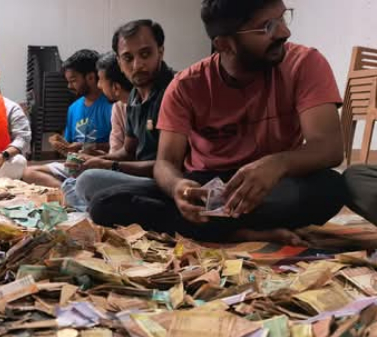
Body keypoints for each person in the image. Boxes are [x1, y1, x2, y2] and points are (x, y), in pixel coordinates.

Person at [90, 0, 346, 244]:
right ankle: (239, 231)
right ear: (225, 44)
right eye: (267, 26)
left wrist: (278, 164)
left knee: (331, 188)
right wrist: (179, 187)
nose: (284, 32)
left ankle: (212, 229)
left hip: (273, 183)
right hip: (207, 187)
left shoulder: (304, 63)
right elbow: (166, 162)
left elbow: (329, 147)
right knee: (104, 203)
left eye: (282, 17)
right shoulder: (186, 86)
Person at [68, 21, 175, 211]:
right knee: (74, 181)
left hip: (167, 181)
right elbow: (128, 151)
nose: (137, 64)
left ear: (161, 51)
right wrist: (96, 160)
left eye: (145, 54)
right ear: (119, 61)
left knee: (88, 183)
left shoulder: (174, 91)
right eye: (127, 57)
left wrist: (110, 166)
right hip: (139, 176)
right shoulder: (134, 95)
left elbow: (169, 166)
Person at [22, 49, 112, 188]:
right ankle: (69, 191)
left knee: (89, 179)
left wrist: (88, 148)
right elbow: (71, 148)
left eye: (73, 81)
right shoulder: (73, 108)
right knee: (28, 173)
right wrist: (63, 146)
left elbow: (120, 149)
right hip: (76, 168)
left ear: (91, 78)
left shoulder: (111, 105)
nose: (69, 86)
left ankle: (73, 190)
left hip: (100, 168)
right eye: (68, 81)